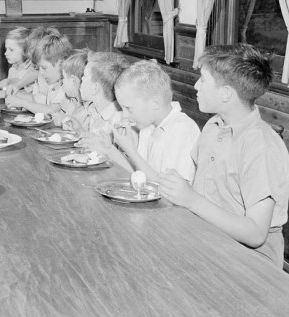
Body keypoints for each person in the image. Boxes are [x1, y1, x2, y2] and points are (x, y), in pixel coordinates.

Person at [158, 44, 289, 269]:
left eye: (203, 79)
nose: (196, 85)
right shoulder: (214, 125)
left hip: (251, 263)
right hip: (207, 241)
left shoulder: (261, 146)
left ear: (226, 93)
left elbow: (256, 233)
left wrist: (190, 199)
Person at [112, 60, 200, 181]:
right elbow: (140, 173)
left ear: (155, 103)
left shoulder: (182, 129)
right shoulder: (148, 126)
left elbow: (168, 190)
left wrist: (130, 149)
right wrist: (109, 149)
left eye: (128, 108)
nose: (124, 116)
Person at [77, 51, 130, 162]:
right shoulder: (95, 111)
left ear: (95, 87)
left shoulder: (119, 121)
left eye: (84, 76)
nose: (81, 79)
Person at [5, 31, 72, 115]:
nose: (40, 72)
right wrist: (16, 95)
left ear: (60, 63)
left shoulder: (65, 86)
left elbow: (50, 110)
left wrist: (23, 103)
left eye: (44, 68)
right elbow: (38, 100)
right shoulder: (54, 84)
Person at [52, 49, 89, 131]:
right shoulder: (73, 102)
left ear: (72, 80)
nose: (62, 82)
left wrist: (64, 120)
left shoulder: (87, 110)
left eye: (64, 77)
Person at [0, 27, 37, 97]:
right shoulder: (12, 69)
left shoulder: (32, 69)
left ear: (25, 51)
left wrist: (8, 84)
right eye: (6, 49)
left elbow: (30, 94)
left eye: (11, 50)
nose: (6, 53)